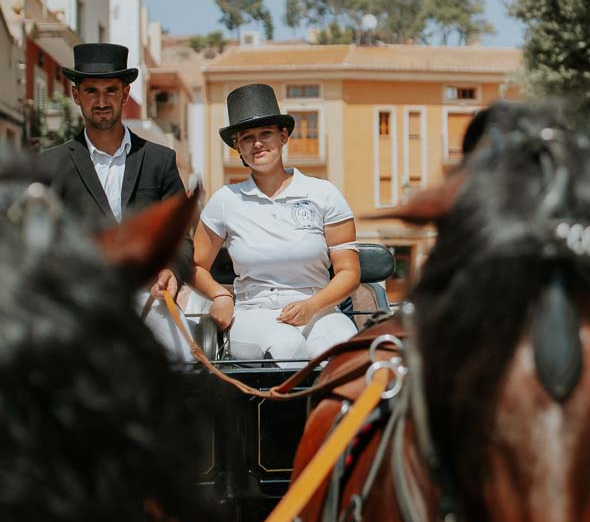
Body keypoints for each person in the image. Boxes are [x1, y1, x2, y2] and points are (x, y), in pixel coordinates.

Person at [40, 42, 193, 357]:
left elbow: (180, 237)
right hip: (77, 301)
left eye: (111, 91)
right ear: (76, 95)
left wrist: (172, 272)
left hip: (147, 296)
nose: (101, 101)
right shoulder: (49, 165)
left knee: (185, 360)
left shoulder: (159, 160)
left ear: (125, 94)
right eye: (92, 91)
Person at [193, 83, 360, 361]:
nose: (257, 143)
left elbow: (349, 273)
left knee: (338, 351)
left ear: (283, 136)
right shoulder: (225, 201)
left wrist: (311, 306)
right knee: (287, 345)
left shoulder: (323, 193)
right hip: (253, 314)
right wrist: (220, 296)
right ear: (238, 147)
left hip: (320, 309)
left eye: (266, 133)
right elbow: (195, 265)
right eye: (247, 137)